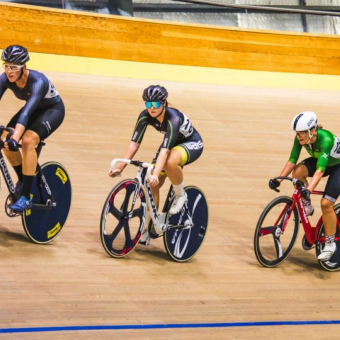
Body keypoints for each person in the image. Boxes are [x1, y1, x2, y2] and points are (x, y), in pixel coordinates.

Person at [108, 85, 204, 243]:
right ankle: (149, 227)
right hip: (171, 144)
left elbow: (165, 151)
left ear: (164, 103)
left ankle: (181, 195)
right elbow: (134, 144)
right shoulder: (145, 116)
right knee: (152, 186)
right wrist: (120, 168)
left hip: (191, 142)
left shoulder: (173, 117)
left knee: (170, 161)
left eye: (156, 104)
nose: (151, 108)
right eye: (148, 104)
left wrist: (155, 174)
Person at [0, 45, 65, 211]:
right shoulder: (5, 79)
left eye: (13, 67)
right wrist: (10, 138)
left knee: (28, 140)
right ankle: (25, 179)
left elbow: (26, 114)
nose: (9, 71)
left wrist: (16, 139)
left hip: (52, 110)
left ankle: (26, 196)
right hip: (32, 110)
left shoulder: (38, 81)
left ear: (24, 67)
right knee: (4, 140)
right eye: (6, 66)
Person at [269, 111, 340, 261]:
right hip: (324, 161)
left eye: (301, 133)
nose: (298, 136)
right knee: (298, 172)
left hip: (337, 166)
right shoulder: (300, 139)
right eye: (297, 133)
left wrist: (309, 189)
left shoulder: (325, 140)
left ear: (312, 131)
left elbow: (320, 171)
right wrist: (278, 180)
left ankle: (330, 244)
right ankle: (307, 206)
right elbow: (292, 160)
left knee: (326, 204)